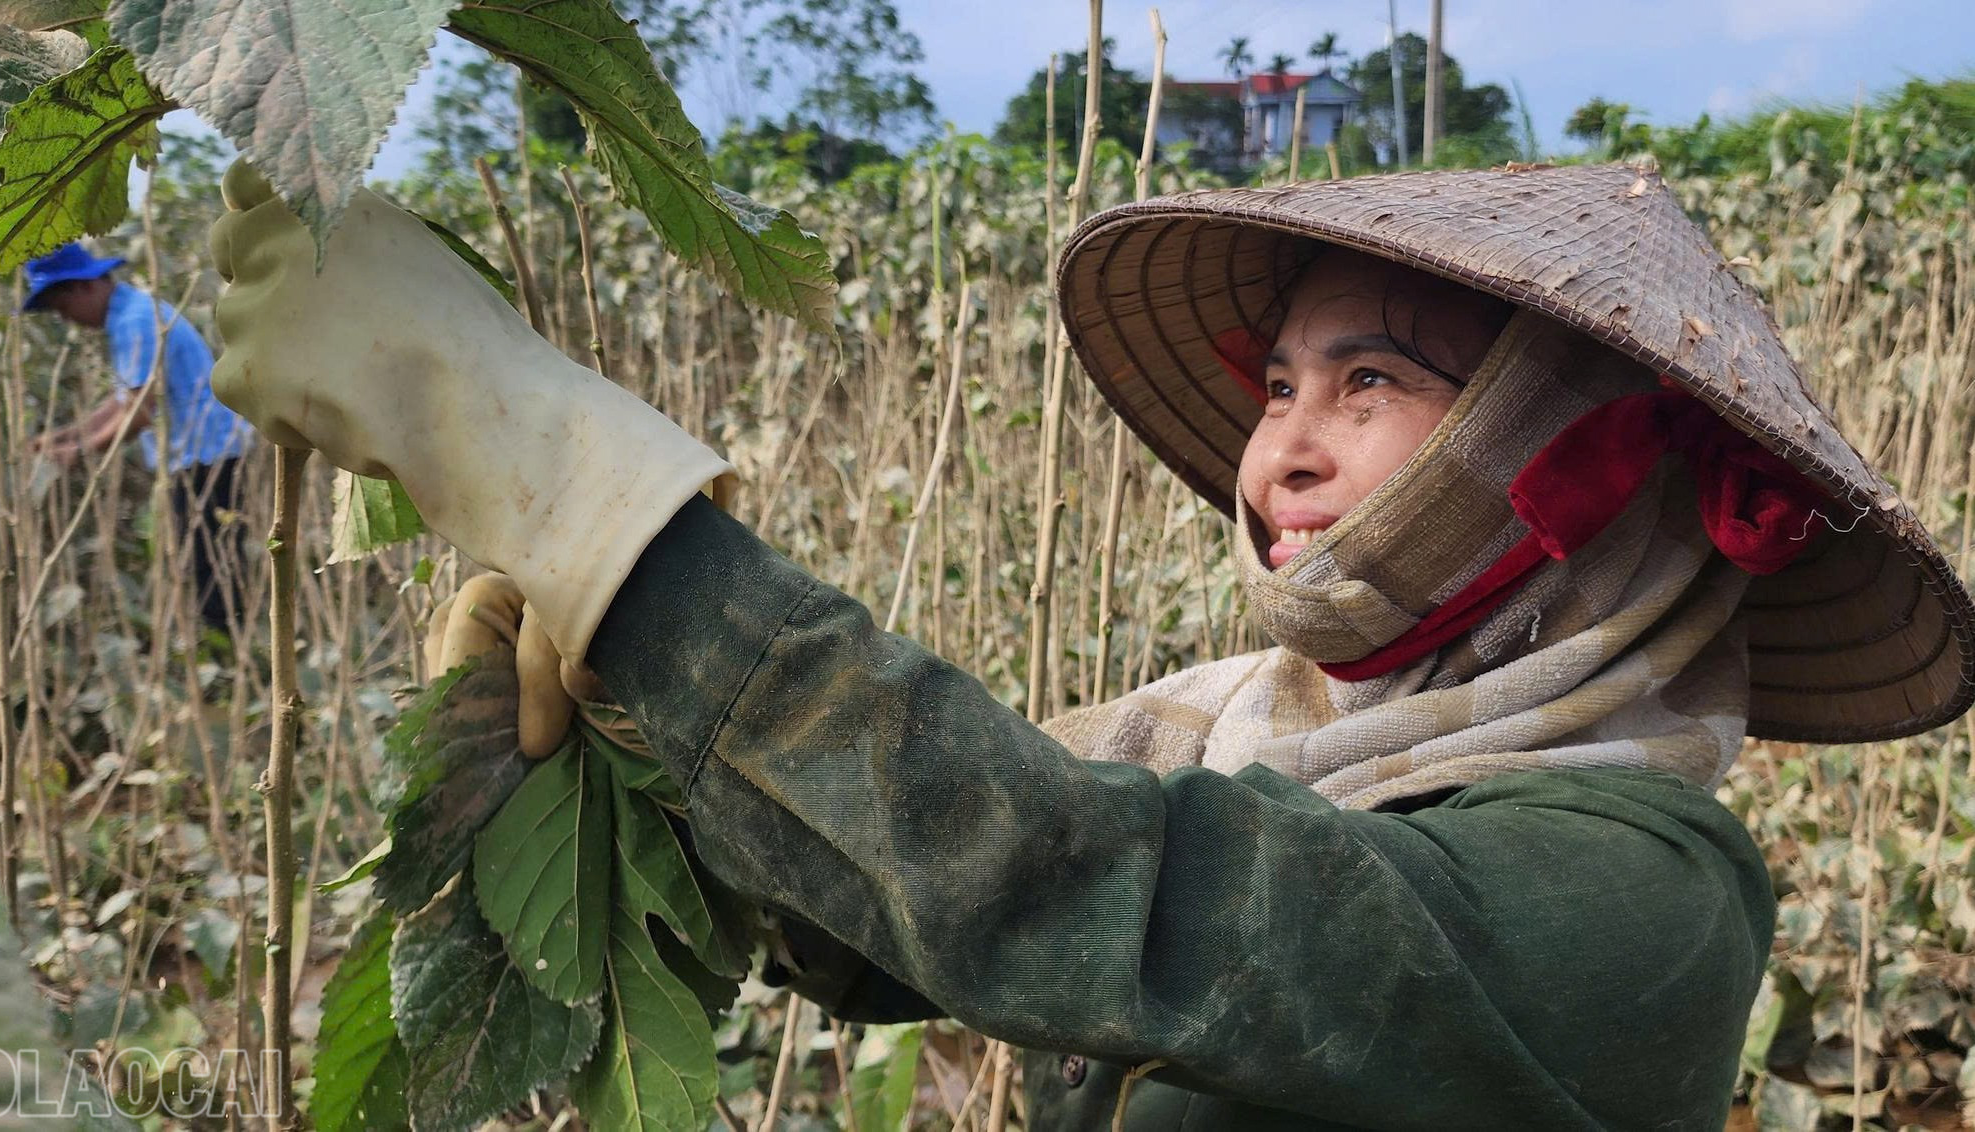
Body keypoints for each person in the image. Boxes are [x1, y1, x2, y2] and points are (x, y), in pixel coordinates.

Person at [206, 161, 1975, 1129]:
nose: (1278, 451)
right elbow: (912, 918)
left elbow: (1092, 893)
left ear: (1581, 468)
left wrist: (596, 505)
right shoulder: (1230, 731)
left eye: (1373, 384)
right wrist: (647, 730)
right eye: (1277, 385)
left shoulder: (1645, 894)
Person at [24, 242, 254, 637]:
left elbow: (140, 412)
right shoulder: (132, 313)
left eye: (64, 310)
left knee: (210, 564)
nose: (68, 321)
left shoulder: (135, 322)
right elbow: (125, 401)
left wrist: (78, 453)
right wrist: (66, 435)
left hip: (206, 455)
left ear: (82, 288)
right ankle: (234, 647)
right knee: (212, 558)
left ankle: (235, 653)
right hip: (206, 450)